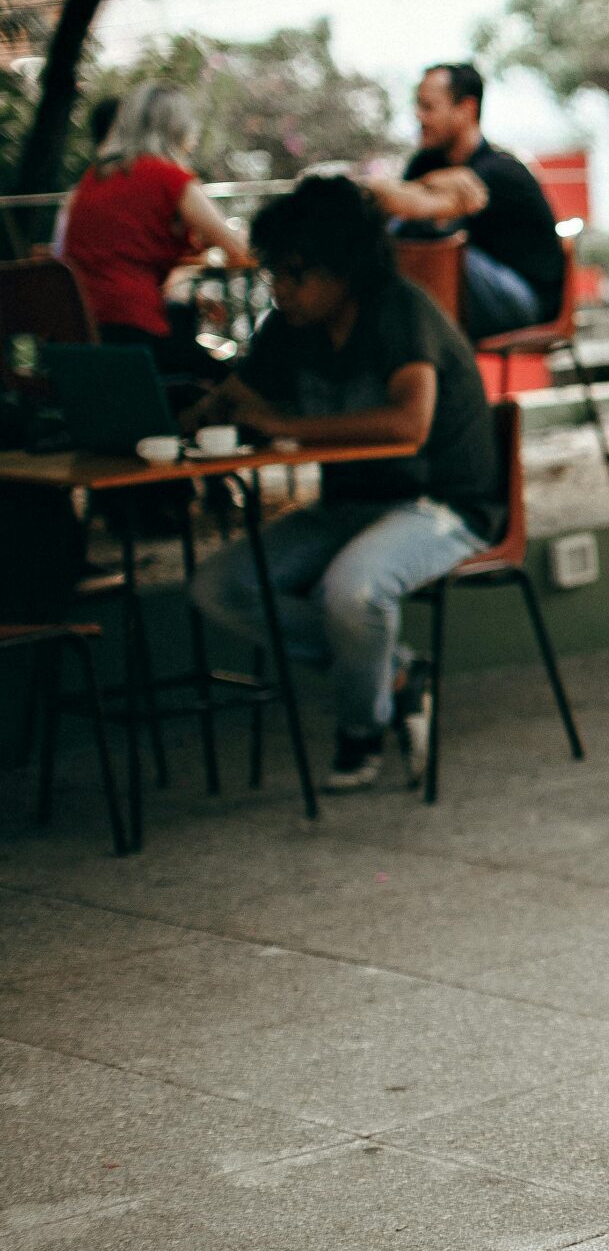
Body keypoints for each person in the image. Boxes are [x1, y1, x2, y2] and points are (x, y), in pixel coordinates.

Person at [187, 175, 503, 791]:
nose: (282, 290)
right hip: (348, 506)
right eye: (275, 273)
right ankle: (398, 675)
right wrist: (193, 415)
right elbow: (235, 397)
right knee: (219, 587)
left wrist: (286, 425)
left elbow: (410, 422)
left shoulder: (399, 311)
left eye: (297, 274)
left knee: (352, 593)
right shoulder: (290, 326)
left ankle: (361, 729)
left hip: (441, 502)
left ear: (345, 267)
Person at [53, 84, 251, 378]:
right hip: (134, 335)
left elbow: (126, 247)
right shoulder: (168, 177)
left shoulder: (94, 178)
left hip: (81, 334)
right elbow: (237, 248)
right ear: (180, 129)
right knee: (237, 384)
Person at [373, 63, 565, 339]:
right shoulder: (424, 164)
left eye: (428, 107)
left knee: (429, 242)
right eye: (418, 107)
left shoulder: (501, 171)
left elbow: (414, 207)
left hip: (527, 300)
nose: (419, 117)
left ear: (466, 109)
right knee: (393, 241)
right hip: (467, 294)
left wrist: (402, 197)